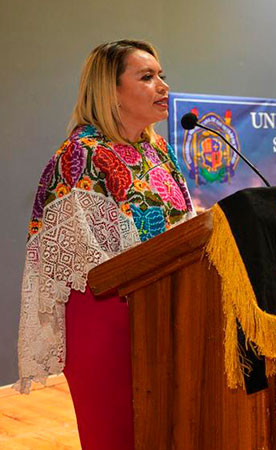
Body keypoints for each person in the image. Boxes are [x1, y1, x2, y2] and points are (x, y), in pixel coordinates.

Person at [16, 41, 194, 450]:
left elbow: (182, 227)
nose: (163, 86)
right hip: (106, 319)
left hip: (166, 312)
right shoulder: (81, 154)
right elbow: (81, 260)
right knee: (117, 435)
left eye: (161, 75)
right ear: (109, 91)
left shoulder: (158, 151)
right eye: (147, 77)